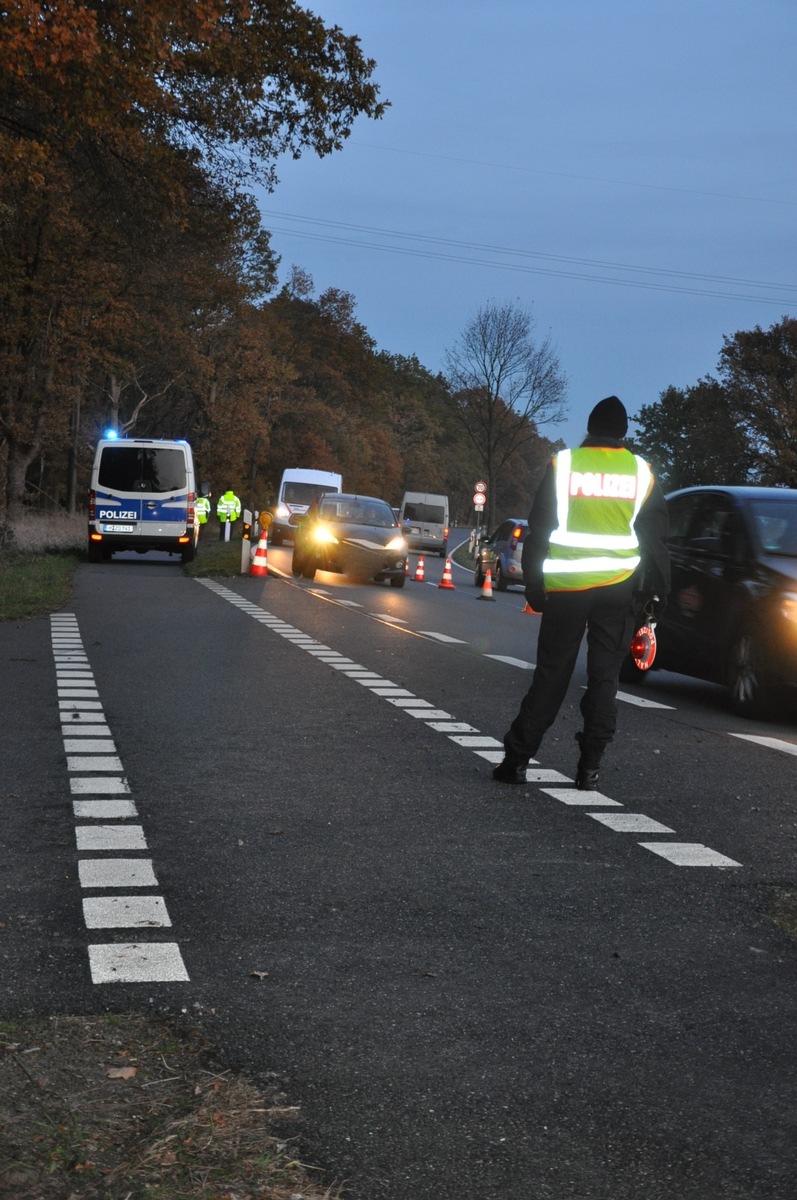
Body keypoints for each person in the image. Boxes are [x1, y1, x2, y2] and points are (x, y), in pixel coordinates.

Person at [493, 396, 670, 790]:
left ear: (590, 428)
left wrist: (535, 584)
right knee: (605, 677)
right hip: (619, 588)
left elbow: (540, 528)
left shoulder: (565, 464)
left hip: (567, 587)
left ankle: (517, 761)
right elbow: (655, 541)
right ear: (623, 432)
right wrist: (657, 596)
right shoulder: (642, 473)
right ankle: (590, 768)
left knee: (552, 674)